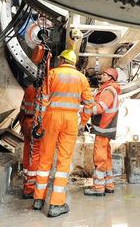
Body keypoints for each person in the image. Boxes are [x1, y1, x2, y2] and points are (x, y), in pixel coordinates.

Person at [32, 49, 93, 218]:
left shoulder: (52, 74)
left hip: (51, 118)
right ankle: (56, 204)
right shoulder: (81, 78)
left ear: (61, 60)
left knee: (44, 158)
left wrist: (38, 122)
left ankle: (38, 199)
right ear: (74, 63)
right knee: (64, 161)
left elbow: (42, 99)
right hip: (70, 120)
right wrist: (83, 121)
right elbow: (89, 103)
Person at [84, 68, 121, 196]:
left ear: (111, 78)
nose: (102, 76)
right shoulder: (110, 89)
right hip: (106, 128)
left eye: (105, 75)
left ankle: (98, 188)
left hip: (103, 128)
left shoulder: (108, 90)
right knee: (107, 157)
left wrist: (86, 110)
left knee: (99, 158)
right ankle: (109, 185)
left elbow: (100, 108)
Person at [19, 77, 41, 199]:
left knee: (27, 153)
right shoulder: (42, 91)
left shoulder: (29, 89)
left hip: (27, 123)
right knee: (36, 154)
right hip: (36, 125)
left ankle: (26, 184)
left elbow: (22, 108)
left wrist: (21, 124)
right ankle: (30, 188)